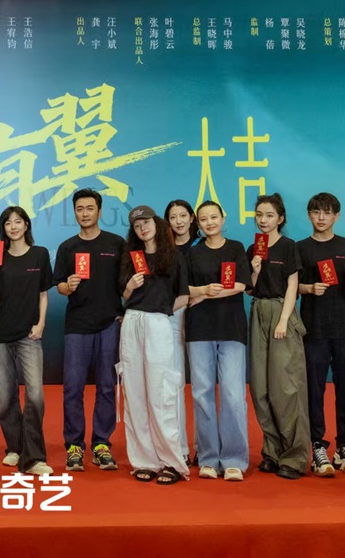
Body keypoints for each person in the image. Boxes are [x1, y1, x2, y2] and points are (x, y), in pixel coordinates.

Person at [118, 206, 190, 485]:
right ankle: (144, 460)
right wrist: (130, 287)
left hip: (159, 323)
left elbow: (183, 296)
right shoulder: (130, 257)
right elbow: (123, 295)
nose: (142, 229)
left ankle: (171, 461)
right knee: (134, 392)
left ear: (156, 224)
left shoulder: (173, 257)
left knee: (162, 392)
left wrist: (162, 311)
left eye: (146, 223)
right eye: (137, 226)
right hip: (132, 322)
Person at [53, 189, 123, 472]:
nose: (85, 213)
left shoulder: (116, 244)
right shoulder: (67, 247)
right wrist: (67, 286)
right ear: (75, 212)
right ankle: (74, 446)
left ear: (100, 211)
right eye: (80, 209)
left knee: (107, 386)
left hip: (109, 324)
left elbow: (126, 283)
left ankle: (101, 444)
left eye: (90, 208)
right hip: (77, 325)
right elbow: (58, 285)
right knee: (73, 387)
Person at [0, 206, 53, 476]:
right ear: (3, 228)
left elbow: (43, 293)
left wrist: (41, 323)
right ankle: (15, 447)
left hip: (29, 335)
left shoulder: (39, 254)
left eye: (18, 221)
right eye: (8, 223)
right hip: (1, 334)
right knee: (6, 397)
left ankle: (34, 458)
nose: (13, 227)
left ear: (26, 225)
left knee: (35, 396)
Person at [297, 193, 345, 478]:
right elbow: (291, 286)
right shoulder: (300, 248)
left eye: (327, 212)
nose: (321, 217)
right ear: (309, 215)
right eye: (316, 212)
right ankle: (317, 445)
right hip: (313, 329)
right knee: (314, 389)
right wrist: (309, 288)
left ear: (337, 216)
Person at [185, 201, 251, 481]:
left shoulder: (236, 248)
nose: (209, 223)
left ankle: (234, 458)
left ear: (223, 219)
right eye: (203, 219)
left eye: (214, 217)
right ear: (197, 223)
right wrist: (201, 291)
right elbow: (183, 288)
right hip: (199, 329)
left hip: (231, 328)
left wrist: (206, 296)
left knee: (233, 395)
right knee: (202, 394)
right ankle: (209, 458)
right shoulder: (192, 253)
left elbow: (241, 285)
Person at [247, 193, 311, 480]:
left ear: (280, 218)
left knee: (285, 387)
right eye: (259, 215)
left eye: (269, 215)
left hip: (281, 311)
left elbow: (292, 284)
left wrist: (284, 319)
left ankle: (295, 457)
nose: (263, 220)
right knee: (260, 387)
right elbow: (250, 289)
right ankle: (272, 451)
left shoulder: (288, 246)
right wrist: (255, 270)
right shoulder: (253, 248)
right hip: (258, 311)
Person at [165, 199, 200, 465]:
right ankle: (180, 448)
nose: (178, 221)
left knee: (202, 385)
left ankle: (204, 447)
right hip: (173, 316)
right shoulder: (164, 250)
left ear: (192, 218)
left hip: (202, 316)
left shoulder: (204, 245)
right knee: (175, 382)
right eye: (173, 217)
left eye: (183, 215)